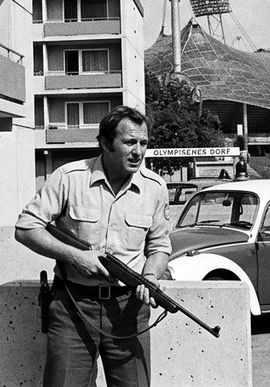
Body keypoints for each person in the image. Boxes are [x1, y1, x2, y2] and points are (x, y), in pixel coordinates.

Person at [15, 106, 170, 387]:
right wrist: (76, 257)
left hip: (128, 310)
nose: (138, 152)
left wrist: (150, 276)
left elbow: (159, 245)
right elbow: (26, 228)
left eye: (144, 143)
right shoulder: (69, 177)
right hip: (73, 307)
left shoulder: (155, 187)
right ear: (106, 143)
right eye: (129, 142)